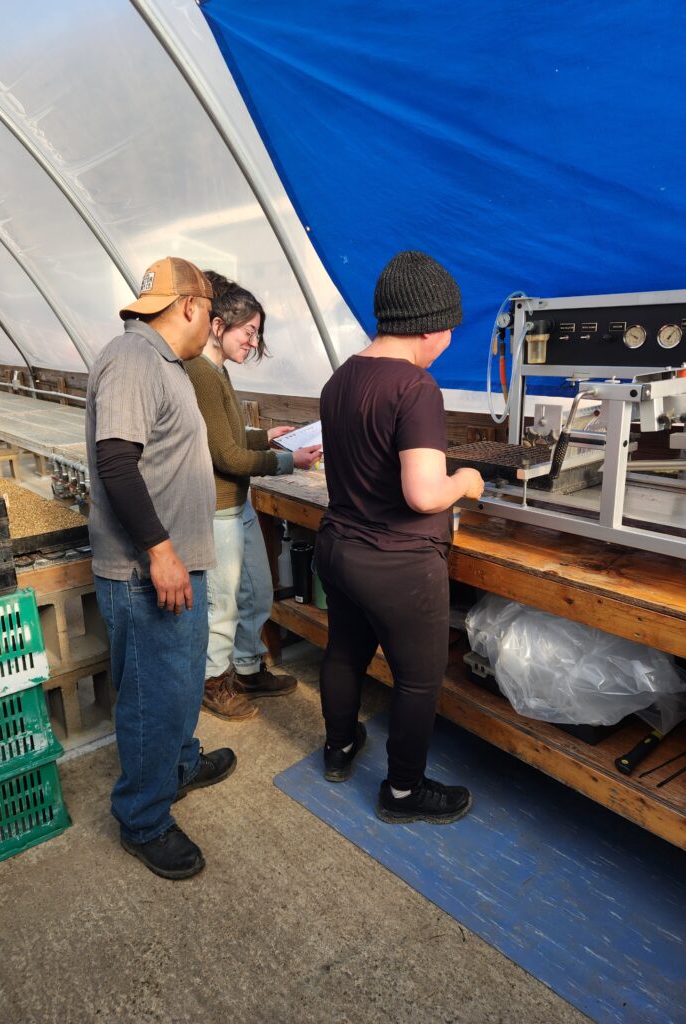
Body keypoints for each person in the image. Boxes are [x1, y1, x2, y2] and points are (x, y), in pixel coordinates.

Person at [315, 250, 485, 824]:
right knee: (418, 680)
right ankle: (404, 793)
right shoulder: (415, 388)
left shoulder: (342, 377)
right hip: (397, 564)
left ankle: (338, 750)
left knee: (344, 652)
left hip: (338, 547)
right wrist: (465, 479)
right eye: (451, 332)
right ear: (433, 327)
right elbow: (423, 494)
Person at [86, 256, 236, 881]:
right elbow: (118, 463)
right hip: (149, 571)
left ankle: (178, 763)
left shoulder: (167, 365)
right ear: (192, 308)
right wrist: (162, 551)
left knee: (177, 682)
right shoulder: (133, 359)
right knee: (152, 694)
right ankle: (143, 818)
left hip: (177, 565)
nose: (213, 326)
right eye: (213, 314)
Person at [186, 271, 321, 721]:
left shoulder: (218, 370)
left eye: (256, 334)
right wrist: (288, 461)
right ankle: (213, 681)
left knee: (256, 592)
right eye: (249, 332)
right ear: (219, 324)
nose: (252, 343)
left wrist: (266, 437)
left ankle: (247, 668)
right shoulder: (201, 374)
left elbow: (227, 436)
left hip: (238, 504)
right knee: (221, 605)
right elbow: (223, 455)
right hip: (219, 507)